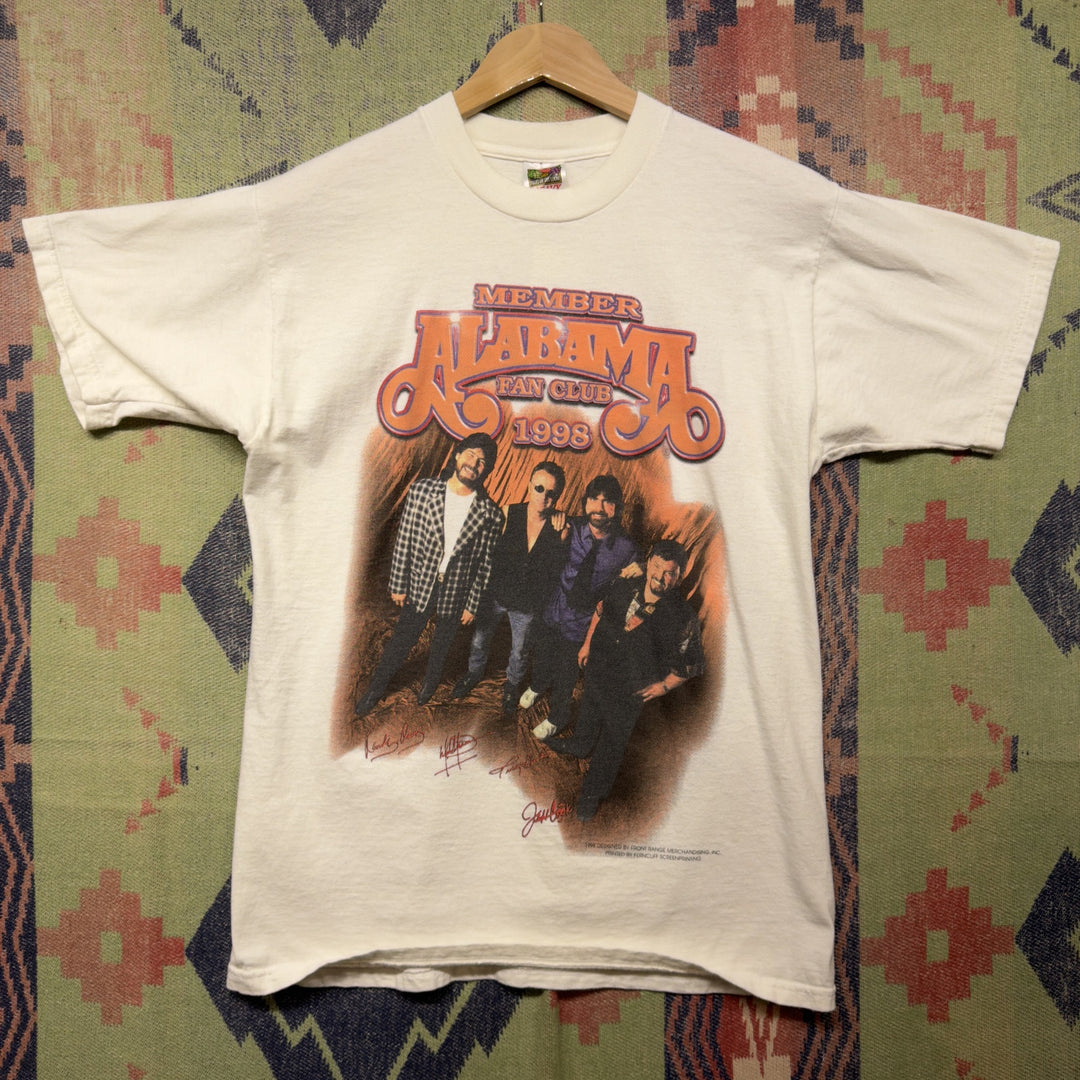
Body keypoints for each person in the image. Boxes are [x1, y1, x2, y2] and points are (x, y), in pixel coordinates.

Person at [553, 539, 705, 822]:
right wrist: (587, 645)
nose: (660, 577)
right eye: (656, 567)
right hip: (599, 669)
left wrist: (663, 686)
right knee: (588, 713)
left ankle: (592, 794)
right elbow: (600, 611)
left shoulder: (684, 618)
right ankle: (580, 745)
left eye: (670, 573)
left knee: (611, 745)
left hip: (629, 692)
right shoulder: (625, 583)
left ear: (679, 575)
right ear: (649, 563)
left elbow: (690, 664)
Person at [354, 432, 503, 717]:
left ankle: (430, 684)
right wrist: (398, 583)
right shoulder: (422, 491)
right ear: (457, 454)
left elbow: (485, 565)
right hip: (420, 583)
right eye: (471, 454)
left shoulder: (491, 514)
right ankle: (376, 689)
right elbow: (405, 538)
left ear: (488, 470)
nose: (474, 463)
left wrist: (472, 604)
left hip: (457, 590)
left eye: (483, 461)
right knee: (402, 639)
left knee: (443, 643)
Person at [520, 474, 638, 738]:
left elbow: (644, 579)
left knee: (567, 672)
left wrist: (640, 568)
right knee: (543, 653)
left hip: (582, 622)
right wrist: (555, 520)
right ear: (585, 502)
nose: (599, 507)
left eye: (607, 501)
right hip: (554, 608)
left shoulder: (627, 548)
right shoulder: (570, 526)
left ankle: (557, 717)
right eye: (594, 499)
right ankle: (538, 685)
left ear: (618, 507)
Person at [450, 461, 568, 713]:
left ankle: (511, 686)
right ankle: (473, 674)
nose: (543, 496)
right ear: (529, 486)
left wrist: (564, 520)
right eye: (539, 488)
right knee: (479, 640)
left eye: (551, 493)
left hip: (526, 604)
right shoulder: (507, 513)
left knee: (520, 651)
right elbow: (481, 550)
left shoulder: (560, 527)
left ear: (558, 497)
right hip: (495, 594)